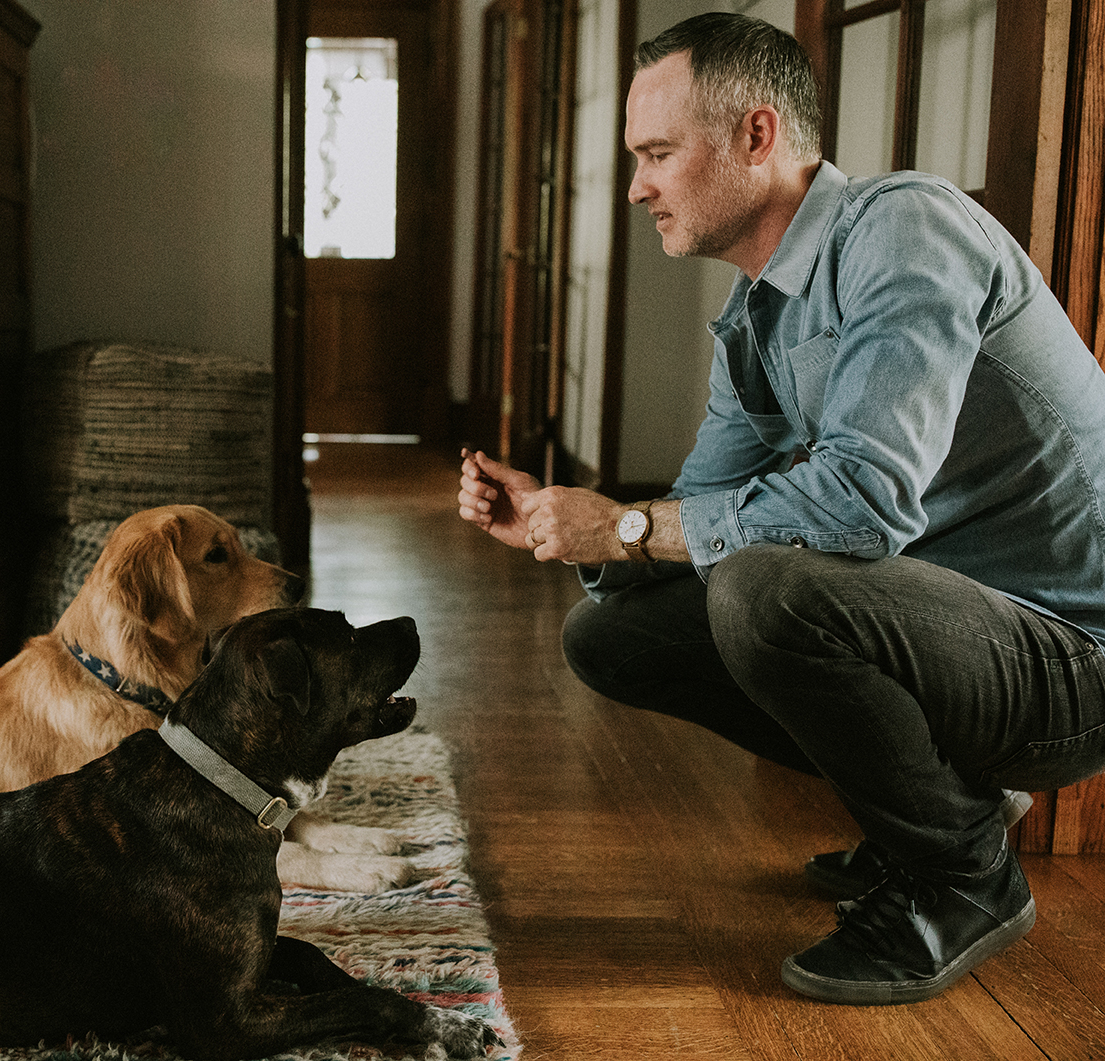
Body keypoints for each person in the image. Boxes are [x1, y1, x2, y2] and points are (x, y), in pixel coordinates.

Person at [459, 11, 1105, 1006]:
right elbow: (699, 510)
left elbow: (860, 499)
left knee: (767, 589)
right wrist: (562, 520)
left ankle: (961, 874)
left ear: (756, 138)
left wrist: (627, 525)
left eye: (658, 154)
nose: (637, 187)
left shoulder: (904, 228)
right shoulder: (756, 315)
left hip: (1070, 656)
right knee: (613, 631)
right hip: (953, 628)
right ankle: (922, 817)